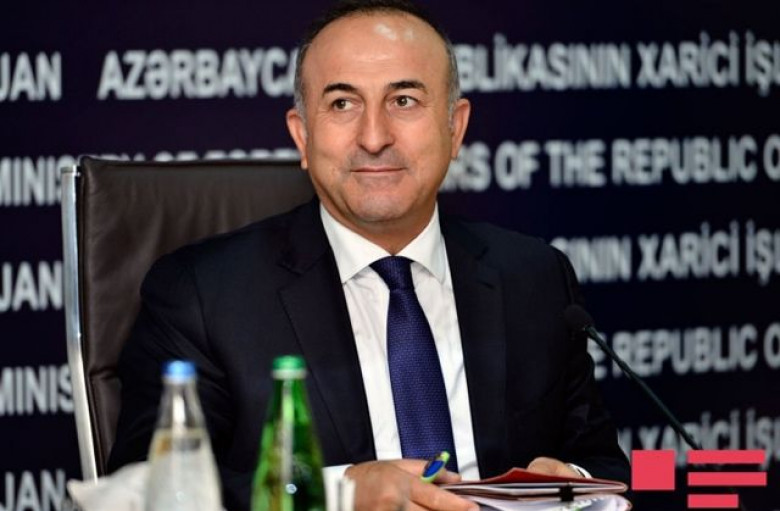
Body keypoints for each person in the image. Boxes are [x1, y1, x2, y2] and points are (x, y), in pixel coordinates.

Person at [108, 1, 630, 510]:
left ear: (455, 129)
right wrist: (338, 495)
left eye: (404, 100)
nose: (375, 137)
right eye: (342, 103)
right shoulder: (202, 296)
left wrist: (576, 484)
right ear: (302, 136)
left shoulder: (536, 277)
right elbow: (144, 489)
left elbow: (618, 466)